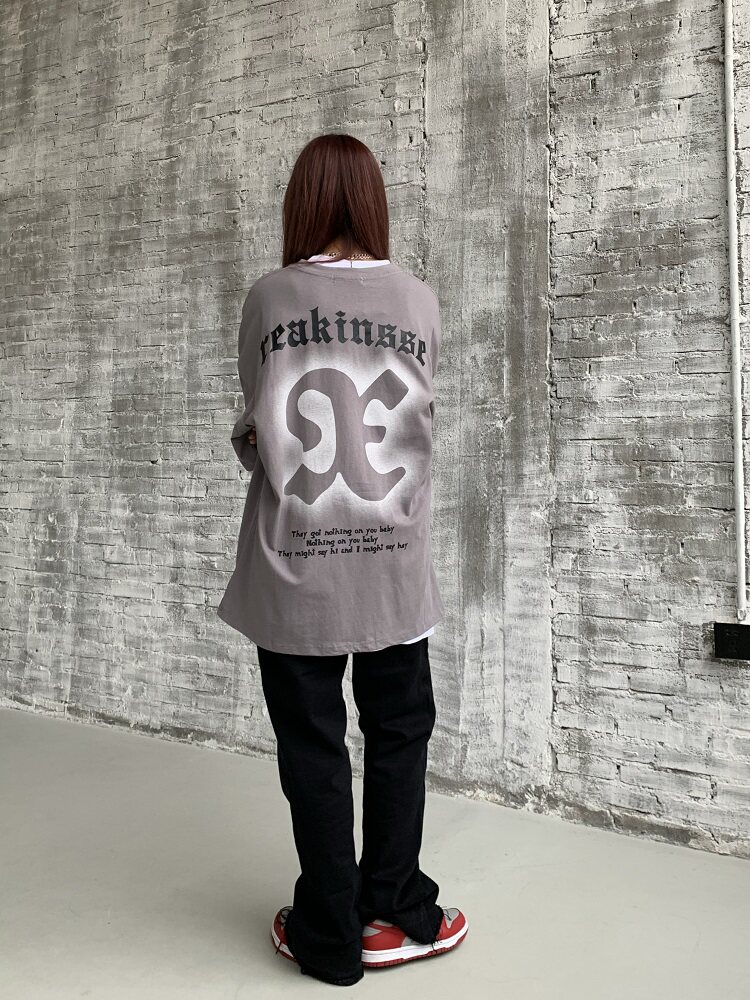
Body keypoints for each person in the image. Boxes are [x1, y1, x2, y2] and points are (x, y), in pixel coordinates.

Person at [217, 133, 468, 987]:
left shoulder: (268, 298)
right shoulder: (418, 298)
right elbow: (422, 426)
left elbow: (261, 427)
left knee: (312, 748)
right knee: (399, 735)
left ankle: (328, 934)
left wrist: (259, 444)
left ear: (301, 202)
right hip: (394, 562)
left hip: (296, 566)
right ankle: (397, 910)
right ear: (372, 201)